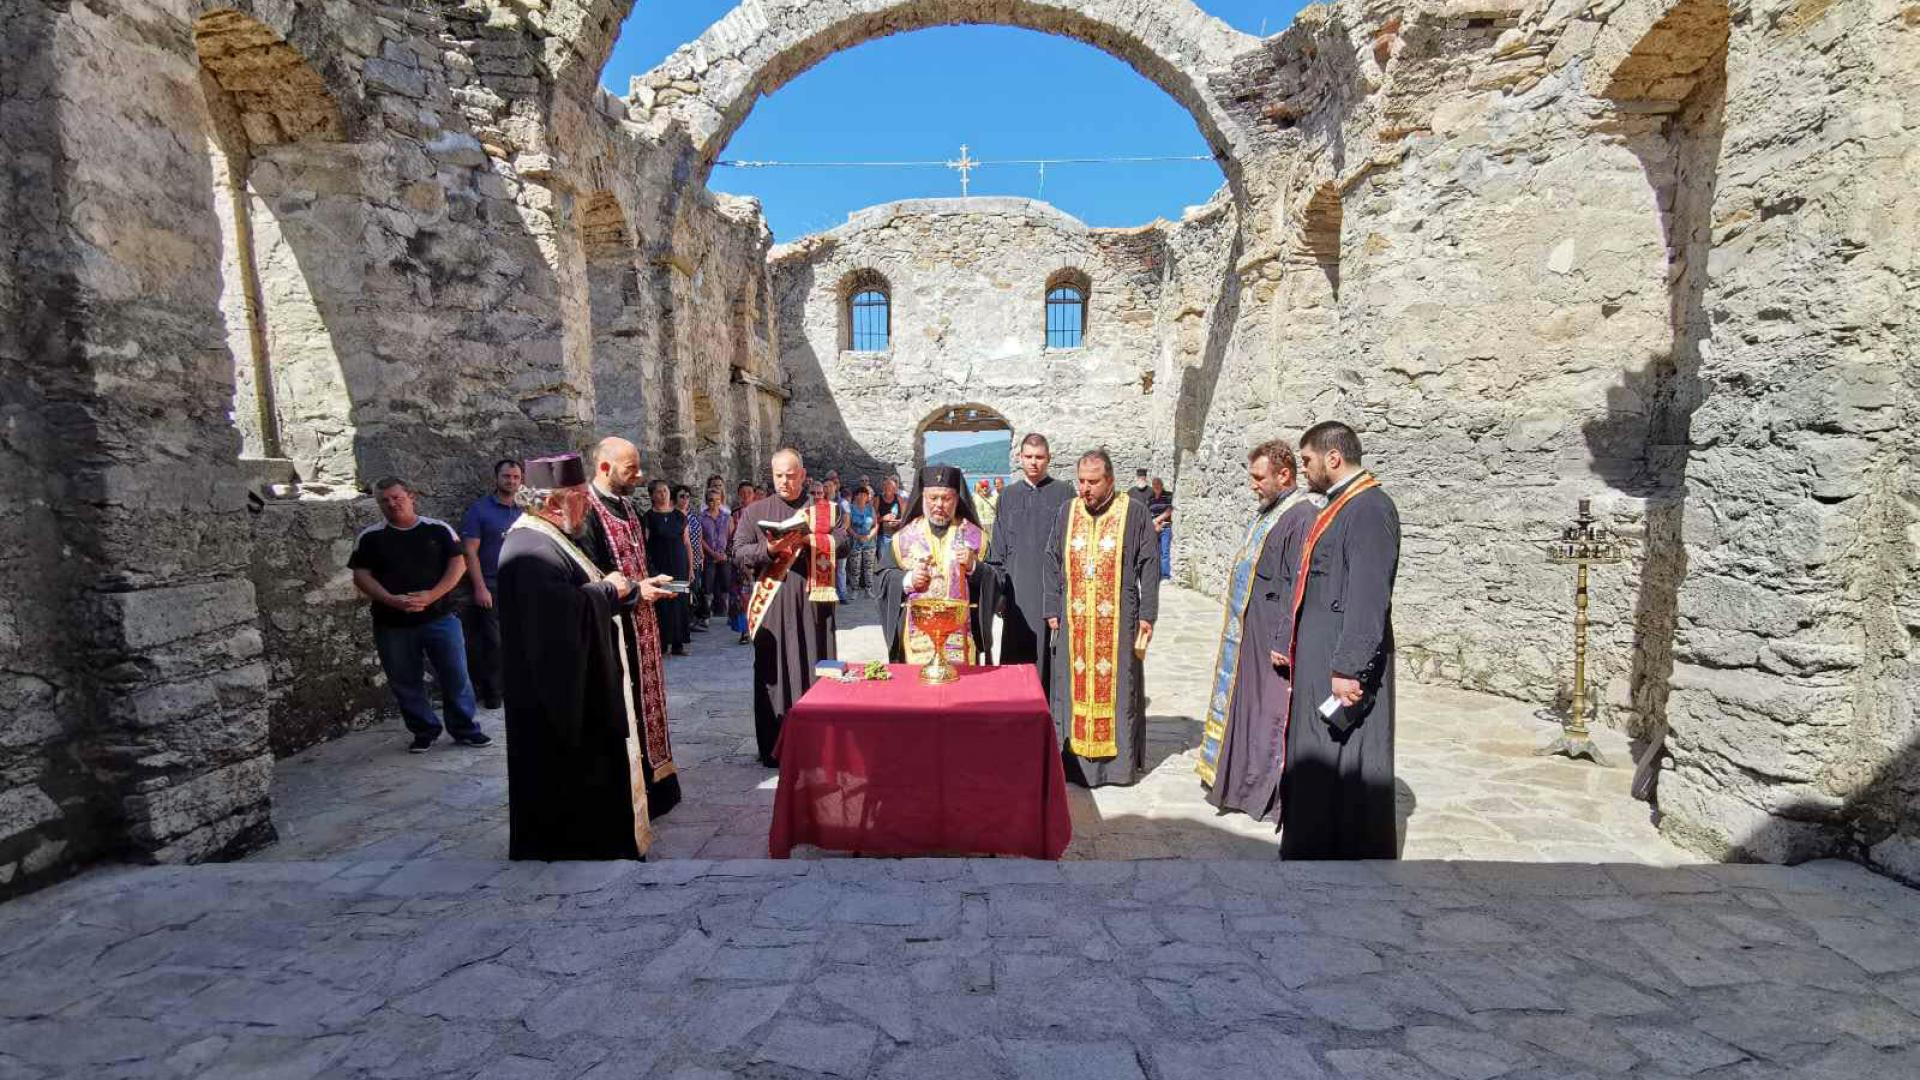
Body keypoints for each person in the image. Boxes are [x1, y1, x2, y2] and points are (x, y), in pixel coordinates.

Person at [498, 452, 668, 860]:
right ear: (554, 503)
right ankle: (579, 841)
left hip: (580, 681)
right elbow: (561, 617)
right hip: (557, 695)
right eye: (579, 497)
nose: (588, 504)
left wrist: (620, 591)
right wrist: (611, 591)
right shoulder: (528, 548)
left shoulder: (554, 539)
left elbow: (579, 597)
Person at [1275, 421, 1401, 859]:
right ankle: (1313, 842)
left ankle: (1344, 849)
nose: (1304, 469)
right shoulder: (1339, 506)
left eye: (1307, 460)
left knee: (1346, 757)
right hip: (1319, 656)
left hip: (1340, 663)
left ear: (1333, 457)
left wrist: (1349, 666)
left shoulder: (1369, 509)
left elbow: (1368, 594)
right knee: (1318, 753)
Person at [1196, 441, 1322, 820]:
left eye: (1258, 477)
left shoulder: (1300, 516)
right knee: (1245, 707)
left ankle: (1259, 792)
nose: (1252, 484)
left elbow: (1295, 583)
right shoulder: (1270, 511)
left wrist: (1283, 638)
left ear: (1284, 475)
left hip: (1271, 636)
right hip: (1249, 632)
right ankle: (1235, 781)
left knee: (1266, 713)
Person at [579, 437, 683, 819]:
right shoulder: (587, 512)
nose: (639, 476)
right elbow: (593, 575)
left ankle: (658, 783)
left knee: (649, 704)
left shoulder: (627, 507)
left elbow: (637, 563)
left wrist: (651, 581)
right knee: (626, 706)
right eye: (630, 470)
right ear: (604, 468)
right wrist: (637, 590)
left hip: (644, 621)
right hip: (615, 629)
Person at [1044, 449, 1159, 787]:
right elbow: (1052, 559)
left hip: (1119, 620)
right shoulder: (1068, 511)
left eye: (1093, 482)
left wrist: (1148, 614)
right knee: (1072, 686)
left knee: (1121, 686)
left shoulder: (1133, 513)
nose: (1085, 489)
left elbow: (1149, 565)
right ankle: (1074, 762)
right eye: (1081, 481)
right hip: (1075, 620)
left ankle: (1117, 768)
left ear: (1110, 480)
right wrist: (1052, 607)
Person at [349, 478, 489, 753]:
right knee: (404, 681)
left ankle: (465, 729)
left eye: (396, 497)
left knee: (456, 676)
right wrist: (390, 600)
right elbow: (361, 575)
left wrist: (432, 595)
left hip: (440, 618)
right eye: (384, 500)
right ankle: (424, 730)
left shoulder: (437, 529)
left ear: (410, 496)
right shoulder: (370, 537)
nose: (391, 503)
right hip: (392, 623)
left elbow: (458, 564)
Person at [730, 449, 849, 767]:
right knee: (774, 672)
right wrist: (769, 549)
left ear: (803, 474)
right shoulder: (754, 512)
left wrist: (815, 541)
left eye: (791, 474)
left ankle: (818, 742)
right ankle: (774, 745)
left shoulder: (824, 511)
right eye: (779, 475)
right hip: (774, 604)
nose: (785, 480)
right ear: (772, 475)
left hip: (815, 604)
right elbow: (739, 553)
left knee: (814, 667)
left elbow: (845, 542)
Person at [876, 465, 998, 665]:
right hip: (916, 636)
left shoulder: (975, 537)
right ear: (923, 498)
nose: (939, 504)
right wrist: (908, 580)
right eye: (933, 498)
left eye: (946, 498)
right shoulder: (904, 538)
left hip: (960, 636)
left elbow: (998, 578)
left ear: (957, 499)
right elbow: (881, 579)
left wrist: (975, 567)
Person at [987, 433, 1073, 687]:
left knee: (1051, 657)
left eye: (1039, 457)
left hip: (1050, 588)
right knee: (1017, 656)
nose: (1034, 462)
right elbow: (998, 547)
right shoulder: (1008, 496)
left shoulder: (1064, 493)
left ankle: (1050, 712)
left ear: (1049, 459)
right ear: (1019, 458)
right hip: (1016, 591)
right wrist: (999, 593)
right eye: (1028, 457)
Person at [458, 458, 523, 710]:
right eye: (507, 476)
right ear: (496, 478)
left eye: (516, 477)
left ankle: (517, 687)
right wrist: (479, 587)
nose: (512, 481)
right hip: (492, 585)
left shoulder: (524, 509)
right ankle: (494, 692)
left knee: (519, 637)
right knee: (493, 641)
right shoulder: (479, 510)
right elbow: (469, 552)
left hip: (521, 584)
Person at [639, 479, 692, 656]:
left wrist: (691, 567)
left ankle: (679, 643)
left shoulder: (679, 516)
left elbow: (687, 543)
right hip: (659, 566)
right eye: (659, 491)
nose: (663, 494)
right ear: (652, 495)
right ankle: (662, 643)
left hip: (679, 564)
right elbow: (644, 544)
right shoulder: (649, 517)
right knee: (662, 603)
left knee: (679, 602)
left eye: (665, 491)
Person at [698, 485, 734, 626]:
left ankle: (728, 613)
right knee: (708, 585)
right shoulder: (702, 518)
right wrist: (711, 552)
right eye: (711, 500)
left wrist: (726, 553)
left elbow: (731, 536)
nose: (715, 503)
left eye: (718, 500)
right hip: (709, 555)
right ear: (707, 501)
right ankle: (707, 614)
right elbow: (700, 538)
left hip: (723, 556)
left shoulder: (727, 517)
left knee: (726, 584)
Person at [677, 485, 708, 632]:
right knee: (689, 589)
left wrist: (701, 554)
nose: (685, 499)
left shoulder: (692, 514)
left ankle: (695, 619)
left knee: (696, 587)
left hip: (696, 556)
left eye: (687, 496)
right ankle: (688, 621)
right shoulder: (675, 516)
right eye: (682, 496)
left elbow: (699, 533)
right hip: (683, 558)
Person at [729, 481, 757, 642]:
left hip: (757, 559)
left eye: (749, 492)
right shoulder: (734, 515)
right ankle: (745, 630)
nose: (746, 495)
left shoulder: (760, 513)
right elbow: (730, 539)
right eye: (743, 492)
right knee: (743, 597)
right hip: (740, 561)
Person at [846, 484, 878, 596]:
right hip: (855, 542)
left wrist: (869, 536)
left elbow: (875, 525)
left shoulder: (871, 508)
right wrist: (857, 536)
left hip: (869, 542)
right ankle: (855, 590)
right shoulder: (850, 508)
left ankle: (868, 589)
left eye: (864, 495)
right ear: (855, 496)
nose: (862, 497)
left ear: (867, 497)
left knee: (869, 567)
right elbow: (847, 526)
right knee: (855, 567)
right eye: (859, 494)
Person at [1148, 477, 1175, 580]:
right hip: (1154, 529)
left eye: (1158, 484)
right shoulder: (1150, 498)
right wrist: (1154, 525)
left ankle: (1165, 575)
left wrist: (1157, 520)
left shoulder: (1168, 495)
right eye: (1154, 485)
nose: (1156, 486)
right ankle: (1157, 574)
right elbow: (1148, 513)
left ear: (1161, 485)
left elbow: (1169, 510)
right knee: (1155, 552)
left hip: (1165, 527)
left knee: (1164, 552)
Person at [876, 475, 907, 544]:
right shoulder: (878, 499)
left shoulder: (900, 499)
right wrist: (883, 518)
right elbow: (873, 519)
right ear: (884, 488)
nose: (888, 490)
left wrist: (897, 522)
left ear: (895, 489)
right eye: (887, 488)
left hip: (897, 534)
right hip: (883, 534)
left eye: (891, 488)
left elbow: (905, 518)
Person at [973, 478, 999, 556]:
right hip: (980, 524)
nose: (985, 488)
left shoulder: (994, 496)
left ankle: (994, 558)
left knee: (993, 544)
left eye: (986, 486)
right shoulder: (975, 497)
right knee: (981, 544)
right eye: (983, 486)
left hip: (992, 523)